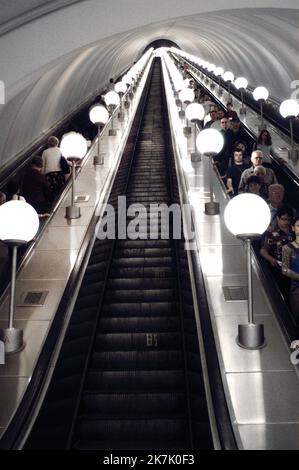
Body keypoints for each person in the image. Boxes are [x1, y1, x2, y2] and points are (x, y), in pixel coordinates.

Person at [261, 205, 294, 302]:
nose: (286, 222)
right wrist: (271, 259)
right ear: (278, 218)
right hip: (279, 269)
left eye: (288, 219)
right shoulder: (272, 234)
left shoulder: (294, 233)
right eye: (283, 219)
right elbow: (263, 250)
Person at [282, 216, 299, 324]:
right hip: (297, 290)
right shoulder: (287, 248)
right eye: (298, 226)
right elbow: (284, 269)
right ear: (293, 228)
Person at [42, 136, 65, 200]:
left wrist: (42, 174)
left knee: (51, 191)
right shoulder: (61, 150)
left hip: (49, 174)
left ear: (48, 143)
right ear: (57, 143)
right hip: (59, 173)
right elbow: (66, 161)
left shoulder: (45, 152)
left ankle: (52, 203)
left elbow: (43, 165)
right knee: (60, 190)